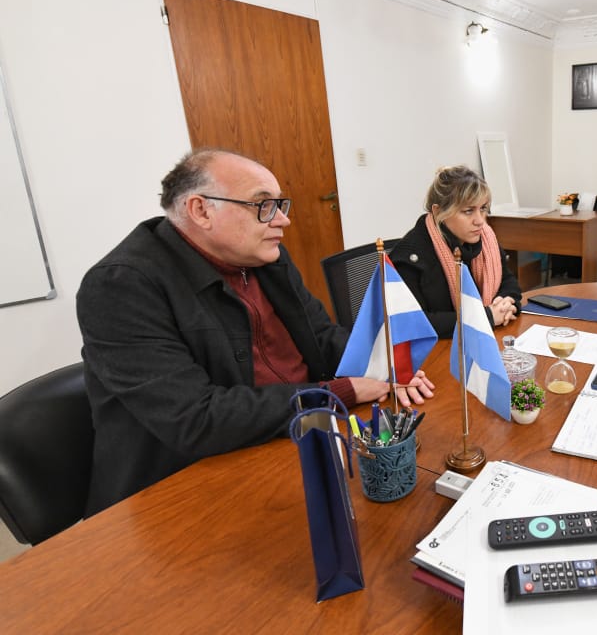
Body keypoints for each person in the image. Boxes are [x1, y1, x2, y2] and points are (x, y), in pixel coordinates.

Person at [76, 149, 434, 515]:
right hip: (186, 491)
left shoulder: (264, 256)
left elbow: (323, 336)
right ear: (201, 211)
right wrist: (340, 392)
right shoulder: (121, 286)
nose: (282, 220)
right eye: (263, 205)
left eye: (280, 205)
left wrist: (382, 363)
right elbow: (196, 419)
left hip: (293, 437)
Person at [392, 165, 522, 338]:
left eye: (483, 208)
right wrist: (486, 317)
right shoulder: (411, 256)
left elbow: (507, 279)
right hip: (436, 351)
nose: (480, 221)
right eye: (468, 211)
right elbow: (413, 323)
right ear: (439, 212)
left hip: (482, 340)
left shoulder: (485, 239)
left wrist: (508, 303)